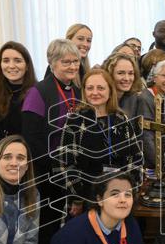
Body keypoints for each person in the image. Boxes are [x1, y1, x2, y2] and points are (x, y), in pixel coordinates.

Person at [20, 39, 82, 244]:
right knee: (46, 234)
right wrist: (56, 167)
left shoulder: (77, 90)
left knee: (70, 233)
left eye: (75, 61)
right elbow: (31, 138)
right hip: (46, 175)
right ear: (52, 63)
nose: (72, 66)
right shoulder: (39, 91)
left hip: (72, 174)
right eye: (66, 62)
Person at [60, 68, 143, 203]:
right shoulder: (75, 121)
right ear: (84, 92)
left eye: (100, 88)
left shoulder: (121, 119)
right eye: (90, 88)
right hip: (87, 197)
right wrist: (78, 198)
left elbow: (135, 158)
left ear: (110, 91)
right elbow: (65, 164)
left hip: (120, 194)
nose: (95, 93)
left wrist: (130, 190)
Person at [0, 40, 38, 144]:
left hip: (26, 150)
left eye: (17, 61)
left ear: (27, 65)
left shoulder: (37, 93)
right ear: (0, 65)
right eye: (6, 61)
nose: (11, 66)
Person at [138, 59, 165, 169]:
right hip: (147, 163)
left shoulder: (163, 96)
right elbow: (146, 137)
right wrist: (164, 163)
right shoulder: (146, 98)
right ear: (154, 77)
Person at [104, 50, 144, 118]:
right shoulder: (101, 99)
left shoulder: (136, 100)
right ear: (109, 74)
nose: (127, 78)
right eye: (121, 73)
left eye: (130, 73)